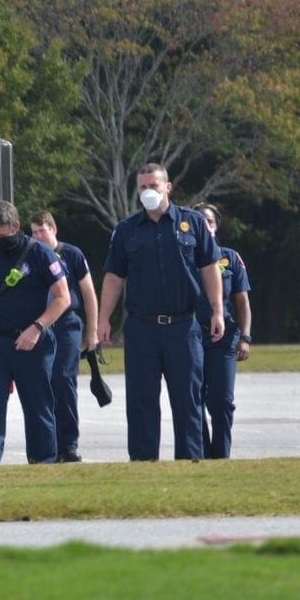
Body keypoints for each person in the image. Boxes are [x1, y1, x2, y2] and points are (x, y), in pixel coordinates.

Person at [97, 163, 224, 461]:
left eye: (153, 185)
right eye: (142, 187)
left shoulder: (192, 223)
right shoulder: (126, 230)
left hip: (184, 326)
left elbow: (209, 268)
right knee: (141, 402)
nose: (147, 191)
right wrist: (103, 320)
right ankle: (143, 465)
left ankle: (191, 463)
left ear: (168, 187)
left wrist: (217, 311)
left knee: (188, 401)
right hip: (142, 328)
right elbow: (114, 277)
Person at [0, 200, 70, 464]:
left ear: (17, 227)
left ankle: (43, 462)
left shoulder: (40, 254)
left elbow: (62, 297)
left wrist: (36, 328)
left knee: (38, 407)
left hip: (34, 342)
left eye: (3, 235)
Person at [29, 210, 99, 463]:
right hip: (40, 324)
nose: (38, 236)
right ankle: (47, 444)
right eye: (34, 232)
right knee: (41, 383)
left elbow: (89, 293)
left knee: (64, 380)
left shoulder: (71, 254)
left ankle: (68, 444)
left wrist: (92, 331)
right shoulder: (31, 255)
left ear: (53, 229)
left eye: (42, 231)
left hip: (67, 324)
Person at [193, 203, 252, 459]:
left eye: (209, 221)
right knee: (193, 399)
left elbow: (241, 301)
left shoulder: (229, 257)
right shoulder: (183, 257)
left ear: (217, 225)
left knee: (222, 401)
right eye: (199, 220)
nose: (205, 225)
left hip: (225, 338)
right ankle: (202, 454)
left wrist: (245, 337)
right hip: (190, 336)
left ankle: (221, 456)